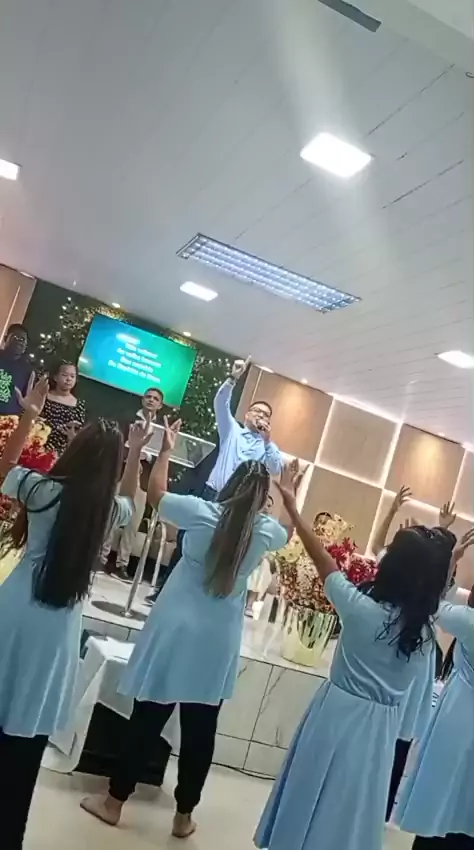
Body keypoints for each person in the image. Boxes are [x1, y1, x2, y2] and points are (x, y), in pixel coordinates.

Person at [81, 422, 298, 840]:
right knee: (201, 732)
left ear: (228, 485)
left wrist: (165, 451)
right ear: (263, 499)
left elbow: (156, 495)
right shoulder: (265, 531)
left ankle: (114, 802)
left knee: (147, 718)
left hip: (176, 632)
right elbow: (287, 531)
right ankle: (183, 817)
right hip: (218, 641)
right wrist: (288, 494)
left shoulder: (202, 512)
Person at [254, 482, 454, 850]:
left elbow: (324, 563)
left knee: (311, 788)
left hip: (335, 713)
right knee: (354, 807)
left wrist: (295, 512)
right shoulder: (424, 636)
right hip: (380, 730)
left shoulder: (359, 609)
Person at [0, 376, 151, 850]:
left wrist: (30, 415)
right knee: (26, 735)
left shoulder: (41, 489)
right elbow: (133, 502)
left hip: (14, 609)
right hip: (59, 625)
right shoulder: (106, 512)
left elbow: (5, 468)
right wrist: (134, 453)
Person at [146, 357, 283, 603]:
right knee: (187, 543)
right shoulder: (233, 431)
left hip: (239, 505)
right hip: (213, 495)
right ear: (247, 414)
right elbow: (220, 403)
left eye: (266, 415)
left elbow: (275, 467)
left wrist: (268, 440)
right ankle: (165, 591)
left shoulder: (267, 447)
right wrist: (233, 378)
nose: (261, 416)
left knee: (221, 551)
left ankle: (201, 598)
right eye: (257, 411)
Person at [372, 489, 458, 820]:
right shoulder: (404, 581)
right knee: (389, 735)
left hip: (415, 667)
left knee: (400, 738)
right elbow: (379, 547)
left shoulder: (437, 591)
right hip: (399, 663)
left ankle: (382, 807)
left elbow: (441, 581)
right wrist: (391, 510)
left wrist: (450, 550)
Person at [396, 563, 474, 849]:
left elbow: (434, 606)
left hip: (461, 712)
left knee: (441, 785)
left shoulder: (469, 621)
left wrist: (449, 562)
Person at [100, 386, 164, 579]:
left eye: (155, 399)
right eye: (148, 397)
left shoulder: (161, 428)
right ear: (142, 400)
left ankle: (122, 564)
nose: (151, 400)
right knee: (112, 515)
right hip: (123, 471)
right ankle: (101, 558)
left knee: (133, 523)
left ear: (160, 405)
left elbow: (164, 454)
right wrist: (132, 452)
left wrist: (147, 457)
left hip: (143, 478)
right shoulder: (127, 419)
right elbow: (117, 442)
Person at [41, 360, 87, 455]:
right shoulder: (43, 397)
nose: (68, 379)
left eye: (72, 376)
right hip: (40, 445)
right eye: (65, 375)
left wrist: (73, 436)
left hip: (62, 452)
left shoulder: (79, 405)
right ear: (55, 377)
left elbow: (80, 432)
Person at [0, 324, 35, 416]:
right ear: (5, 338)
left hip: (8, 419)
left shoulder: (28, 370)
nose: (19, 341)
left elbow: (26, 399)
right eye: (15, 337)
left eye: (22, 339)